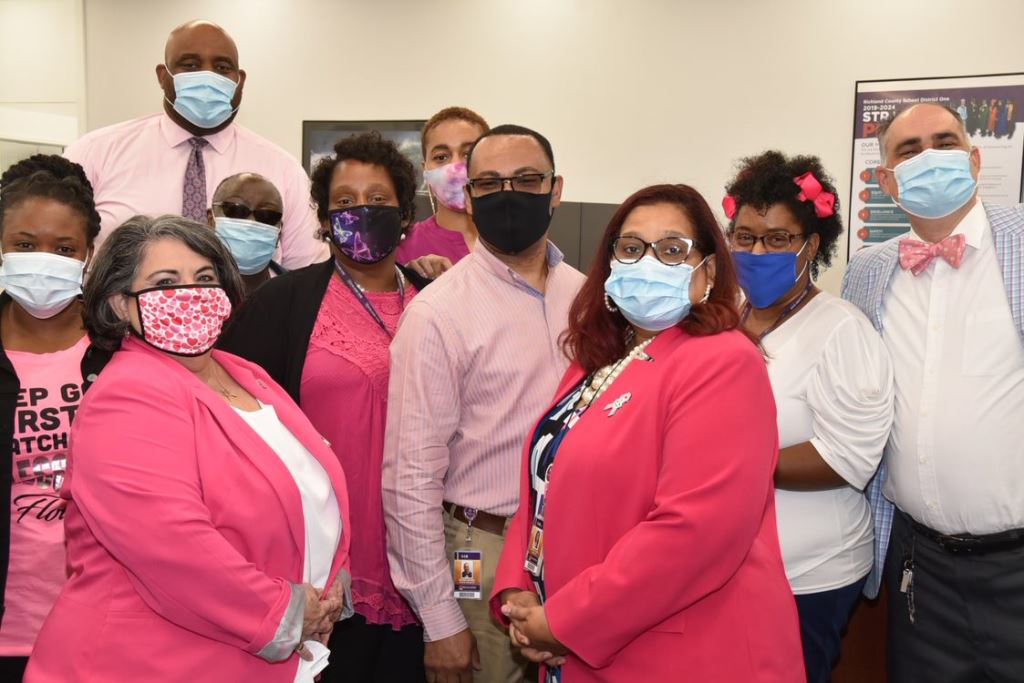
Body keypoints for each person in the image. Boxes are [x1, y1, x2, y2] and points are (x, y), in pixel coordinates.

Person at [492, 183, 804, 682]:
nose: (648, 262)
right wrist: (519, 593)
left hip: (682, 653)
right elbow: (543, 480)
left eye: (673, 250)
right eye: (632, 248)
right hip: (579, 642)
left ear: (708, 272)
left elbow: (695, 534)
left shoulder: (724, 361)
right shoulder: (598, 360)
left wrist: (564, 621)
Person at [24, 215, 351, 682]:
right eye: (165, 282)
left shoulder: (245, 374)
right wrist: (290, 613)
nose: (190, 293)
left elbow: (309, 492)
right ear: (119, 304)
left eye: (204, 278)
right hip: (146, 664)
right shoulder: (126, 395)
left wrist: (330, 586)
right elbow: (174, 548)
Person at [220, 131, 431, 682]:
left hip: (423, 559)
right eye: (344, 201)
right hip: (323, 566)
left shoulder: (435, 300)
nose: (362, 211)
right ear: (323, 217)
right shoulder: (282, 303)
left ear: (406, 214)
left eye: (378, 199)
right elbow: (232, 425)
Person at [382, 124, 585, 683]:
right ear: (469, 198)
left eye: (527, 180)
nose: (508, 195)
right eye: (490, 183)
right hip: (483, 548)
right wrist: (440, 621)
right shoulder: (437, 314)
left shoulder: (587, 297)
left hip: (578, 544)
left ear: (555, 189)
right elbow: (410, 476)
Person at [843, 102, 1024, 683]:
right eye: (909, 150)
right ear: (887, 180)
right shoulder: (867, 272)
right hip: (920, 567)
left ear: (974, 159)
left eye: (945, 143)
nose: (930, 158)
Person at [723, 151, 894, 682]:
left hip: (809, 573)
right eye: (745, 237)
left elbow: (848, 458)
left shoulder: (841, 329)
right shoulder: (725, 318)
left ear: (812, 245)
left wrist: (730, 468)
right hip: (729, 565)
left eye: (777, 239)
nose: (757, 251)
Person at [64, 20, 326, 268]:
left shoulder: (283, 170)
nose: (208, 76)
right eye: (190, 65)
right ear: (162, 76)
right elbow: (60, 254)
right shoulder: (94, 154)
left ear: (240, 80)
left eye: (222, 67)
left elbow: (306, 271)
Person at [0, 155, 111, 682]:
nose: (43, 261)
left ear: (88, 253)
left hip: (104, 626)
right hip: (9, 633)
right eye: (24, 245)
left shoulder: (120, 352)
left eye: (64, 248)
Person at [397, 107, 489, 277]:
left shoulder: (517, 238)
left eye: (468, 154)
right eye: (441, 157)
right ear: (425, 170)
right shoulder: (403, 248)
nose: (455, 167)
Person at [207, 172, 286, 297]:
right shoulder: (189, 294)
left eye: (266, 215)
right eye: (236, 210)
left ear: (279, 232)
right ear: (211, 221)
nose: (251, 222)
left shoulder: (300, 293)